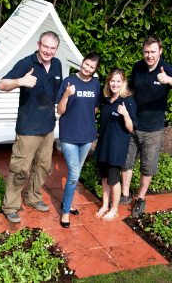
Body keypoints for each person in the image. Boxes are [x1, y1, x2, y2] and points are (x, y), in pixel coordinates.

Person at [120, 35, 172, 218]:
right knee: (126, 161)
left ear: (160, 51)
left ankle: (141, 197)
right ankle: (125, 194)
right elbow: (132, 88)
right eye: (146, 52)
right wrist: (121, 93)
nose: (149, 55)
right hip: (133, 124)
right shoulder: (138, 67)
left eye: (152, 52)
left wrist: (168, 80)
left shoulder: (166, 69)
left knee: (147, 165)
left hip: (153, 129)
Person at [0, 31, 63, 223]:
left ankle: (33, 197)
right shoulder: (27, 63)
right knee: (21, 168)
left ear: (56, 49)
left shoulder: (58, 64)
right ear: (38, 44)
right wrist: (21, 81)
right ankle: (10, 205)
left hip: (48, 127)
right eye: (45, 46)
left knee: (43, 166)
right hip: (28, 128)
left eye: (52, 48)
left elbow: (58, 92)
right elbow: (2, 84)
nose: (48, 51)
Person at [56, 52, 102, 228]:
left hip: (87, 136)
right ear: (82, 62)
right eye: (86, 64)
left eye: (91, 67)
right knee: (74, 174)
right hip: (69, 136)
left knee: (75, 173)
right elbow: (60, 111)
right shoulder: (69, 81)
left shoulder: (96, 84)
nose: (87, 68)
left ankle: (67, 203)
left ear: (94, 70)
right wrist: (67, 94)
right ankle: (66, 211)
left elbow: (95, 108)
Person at [94, 68, 137, 221]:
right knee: (104, 178)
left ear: (123, 82)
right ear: (108, 82)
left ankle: (114, 209)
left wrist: (125, 114)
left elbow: (131, 128)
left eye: (118, 81)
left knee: (113, 179)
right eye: (112, 80)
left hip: (116, 149)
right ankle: (105, 205)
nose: (115, 84)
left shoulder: (128, 101)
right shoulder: (106, 101)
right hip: (103, 146)